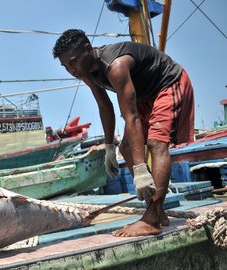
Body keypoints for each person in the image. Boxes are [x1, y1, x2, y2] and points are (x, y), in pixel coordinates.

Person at [52, 29, 194, 237]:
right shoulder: (85, 72)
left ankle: (152, 218)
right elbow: (104, 106)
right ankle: (157, 211)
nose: (71, 70)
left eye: (73, 62)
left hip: (168, 84)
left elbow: (132, 117)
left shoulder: (115, 65)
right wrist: (109, 147)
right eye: (66, 66)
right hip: (145, 97)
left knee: (156, 143)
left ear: (88, 49)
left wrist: (140, 169)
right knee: (126, 147)